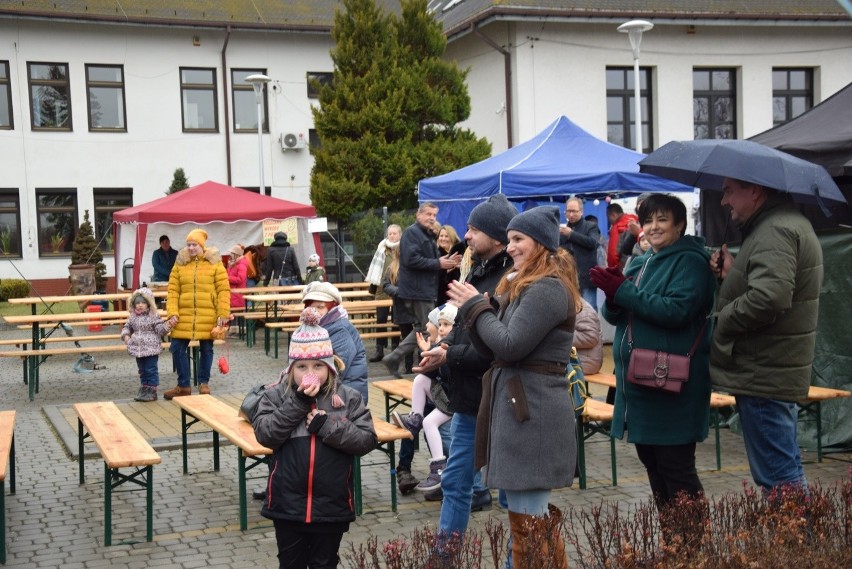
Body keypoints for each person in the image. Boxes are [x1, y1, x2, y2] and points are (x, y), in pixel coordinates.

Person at [446, 205, 578, 568]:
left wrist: (476, 308)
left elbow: (508, 345)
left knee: (530, 522)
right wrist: (477, 313)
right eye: (511, 238)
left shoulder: (548, 288)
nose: (511, 246)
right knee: (528, 522)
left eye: (519, 239)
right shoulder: (525, 285)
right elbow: (495, 349)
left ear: (541, 244)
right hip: (523, 409)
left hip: (534, 413)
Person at [590, 193, 716, 512]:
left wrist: (625, 292)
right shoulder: (645, 260)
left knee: (676, 470)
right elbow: (619, 316)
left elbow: (677, 311)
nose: (653, 227)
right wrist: (615, 295)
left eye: (662, 219)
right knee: (655, 468)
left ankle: (696, 552)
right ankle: (674, 549)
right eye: (648, 220)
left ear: (680, 225)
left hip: (671, 386)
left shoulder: (690, 261)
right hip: (641, 386)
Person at [709, 179, 822, 494]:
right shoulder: (779, 225)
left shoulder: (775, 230)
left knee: (780, 477)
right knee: (783, 472)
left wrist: (723, 320)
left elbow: (770, 297)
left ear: (755, 191)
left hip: (764, 372)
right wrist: (734, 274)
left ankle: (797, 543)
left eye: (730, 190)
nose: (724, 201)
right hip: (768, 370)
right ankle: (798, 540)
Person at [415, 194, 517, 538]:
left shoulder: (511, 280)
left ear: (498, 236)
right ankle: (445, 556)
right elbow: (464, 329)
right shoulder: (477, 269)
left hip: (500, 400)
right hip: (467, 399)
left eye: (474, 229)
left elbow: (496, 349)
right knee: (456, 484)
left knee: (511, 495)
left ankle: (516, 559)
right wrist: (442, 347)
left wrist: (450, 356)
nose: (467, 236)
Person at [252, 306, 378, 569]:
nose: (310, 373)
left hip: (331, 506)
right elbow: (266, 434)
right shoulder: (276, 396)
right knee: (290, 563)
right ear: (290, 369)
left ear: (330, 367)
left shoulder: (347, 398)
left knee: (325, 563)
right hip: (287, 505)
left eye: (318, 365)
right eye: (302, 366)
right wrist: (298, 401)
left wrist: (328, 426)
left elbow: (366, 440)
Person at [382, 202, 459, 377]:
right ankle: (431, 368)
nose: (432, 218)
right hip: (417, 291)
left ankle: (394, 357)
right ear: (418, 215)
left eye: (434, 215)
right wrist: (438, 263)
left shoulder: (425, 234)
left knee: (420, 328)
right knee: (429, 329)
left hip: (423, 290)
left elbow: (426, 260)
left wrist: (445, 261)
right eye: (428, 214)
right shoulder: (412, 233)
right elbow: (410, 259)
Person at [391, 304, 457, 492]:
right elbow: (429, 373)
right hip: (444, 397)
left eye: (446, 325)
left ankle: (438, 468)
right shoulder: (442, 346)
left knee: (430, 423)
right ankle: (414, 419)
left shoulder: (454, 347)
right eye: (441, 324)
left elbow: (445, 372)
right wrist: (428, 351)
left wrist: (432, 351)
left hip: (454, 401)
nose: (440, 327)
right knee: (420, 380)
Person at [163, 228, 231, 399]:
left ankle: (204, 383)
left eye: (194, 244)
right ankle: (183, 385)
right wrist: (172, 312)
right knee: (177, 348)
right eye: (188, 245)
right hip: (183, 315)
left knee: (206, 349)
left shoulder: (215, 263)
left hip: (208, 314)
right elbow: (172, 291)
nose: (191, 248)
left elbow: (223, 290)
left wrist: (223, 313)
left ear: (202, 246)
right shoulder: (180, 264)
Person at [302, 281, 369, 403]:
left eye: (320, 307)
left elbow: (334, 371)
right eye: (311, 307)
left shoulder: (340, 329)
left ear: (332, 306)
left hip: (347, 399)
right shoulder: (318, 328)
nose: (315, 311)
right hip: (332, 393)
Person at [121, 286, 172, 402]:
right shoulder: (133, 316)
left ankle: (152, 390)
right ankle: (144, 388)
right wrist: (126, 336)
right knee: (142, 370)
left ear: (148, 303)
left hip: (151, 348)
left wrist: (166, 326)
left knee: (150, 369)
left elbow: (160, 329)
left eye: (143, 303)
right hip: (138, 348)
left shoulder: (153, 316)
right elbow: (127, 326)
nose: (140, 305)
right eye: (137, 303)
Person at [366, 224, 401, 362]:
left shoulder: (403, 249)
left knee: (396, 321)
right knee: (380, 320)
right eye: (390, 233)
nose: (392, 236)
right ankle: (379, 350)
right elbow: (376, 269)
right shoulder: (381, 249)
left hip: (398, 289)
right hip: (382, 289)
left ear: (400, 234)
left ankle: (395, 350)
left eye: (394, 233)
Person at [559, 197, 601, 309]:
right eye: (568, 211)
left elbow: (593, 243)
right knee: (571, 311)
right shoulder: (562, 230)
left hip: (586, 278)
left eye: (574, 211)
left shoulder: (591, 226)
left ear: (581, 212)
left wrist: (571, 234)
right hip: (568, 277)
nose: (571, 214)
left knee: (589, 309)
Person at [436, 225, 466, 306]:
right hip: (441, 296)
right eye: (441, 236)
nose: (443, 239)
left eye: (446, 236)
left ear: (452, 237)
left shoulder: (463, 252)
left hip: (460, 294)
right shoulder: (435, 255)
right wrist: (448, 268)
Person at [573, 297, 603, 375]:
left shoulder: (584, 310)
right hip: (577, 360)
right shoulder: (573, 304)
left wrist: (562, 335)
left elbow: (591, 338)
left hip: (585, 363)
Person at [605, 203, 638, 268]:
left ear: (613, 215)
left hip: (624, 267)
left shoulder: (616, 227)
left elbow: (613, 254)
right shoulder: (636, 221)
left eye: (608, 217)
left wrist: (613, 271)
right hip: (637, 264)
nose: (609, 220)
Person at [227, 245, 248, 310]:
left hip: (237, 293)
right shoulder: (232, 263)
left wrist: (227, 278)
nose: (230, 255)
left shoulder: (241, 264)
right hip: (232, 293)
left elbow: (240, 279)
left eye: (232, 253)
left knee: (236, 315)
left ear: (236, 254)